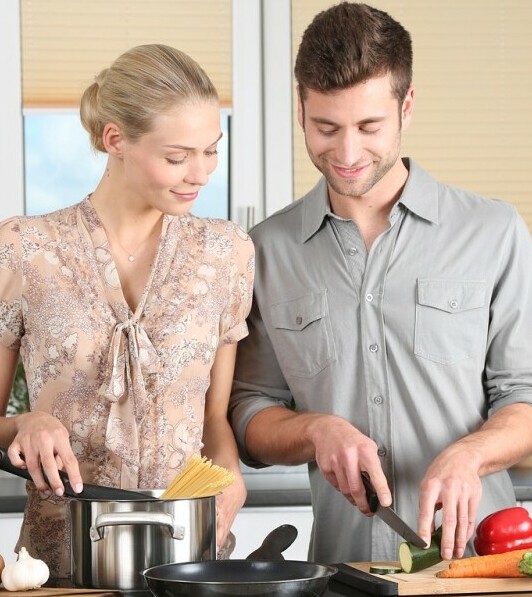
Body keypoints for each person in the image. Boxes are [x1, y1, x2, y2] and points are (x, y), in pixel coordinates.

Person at [229, 1, 532, 565]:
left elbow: (525, 395)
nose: (346, 154)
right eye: (326, 127)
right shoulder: (266, 250)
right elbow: (251, 412)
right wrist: (315, 430)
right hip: (342, 568)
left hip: (480, 568)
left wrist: (473, 453)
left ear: (407, 106)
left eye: (369, 126)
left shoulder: (492, 232)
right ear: (300, 111)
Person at [0, 44, 254, 578]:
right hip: (61, 563)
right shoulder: (24, 249)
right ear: (115, 139)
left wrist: (229, 473)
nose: (201, 172)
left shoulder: (227, 252)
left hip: (190, 557)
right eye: (177, 155)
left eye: (212, 149)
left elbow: (213, 419)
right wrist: (28, 421)